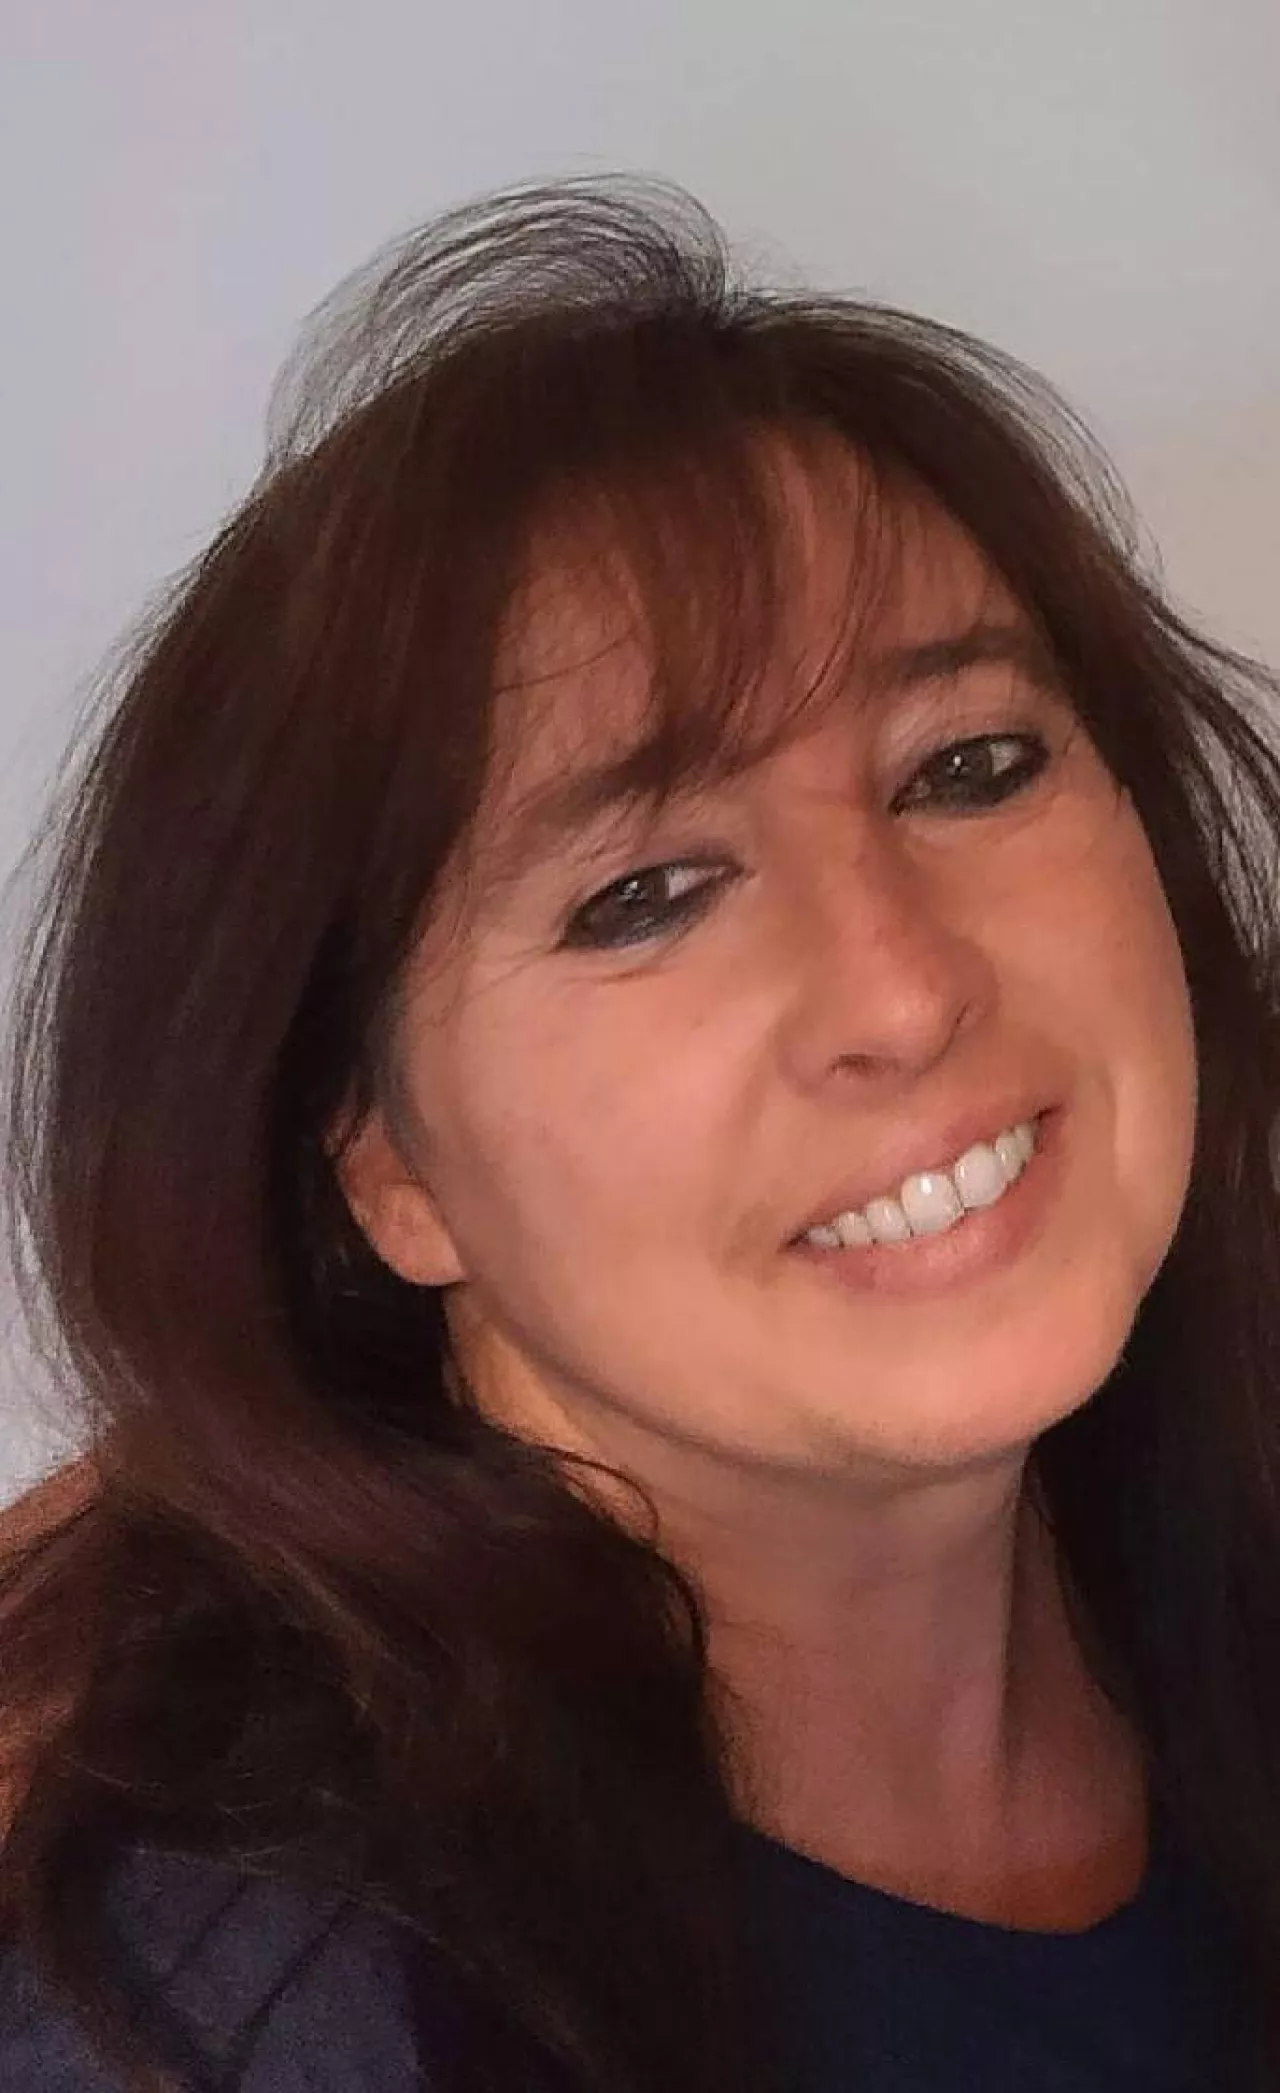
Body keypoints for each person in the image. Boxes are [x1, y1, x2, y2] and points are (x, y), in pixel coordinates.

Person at [0, 173, 1276, 2092]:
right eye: (646, 896)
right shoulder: (228, 2020)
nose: (902, 990)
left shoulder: (1215, 1541)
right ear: (382, 1167)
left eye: (969, 767)